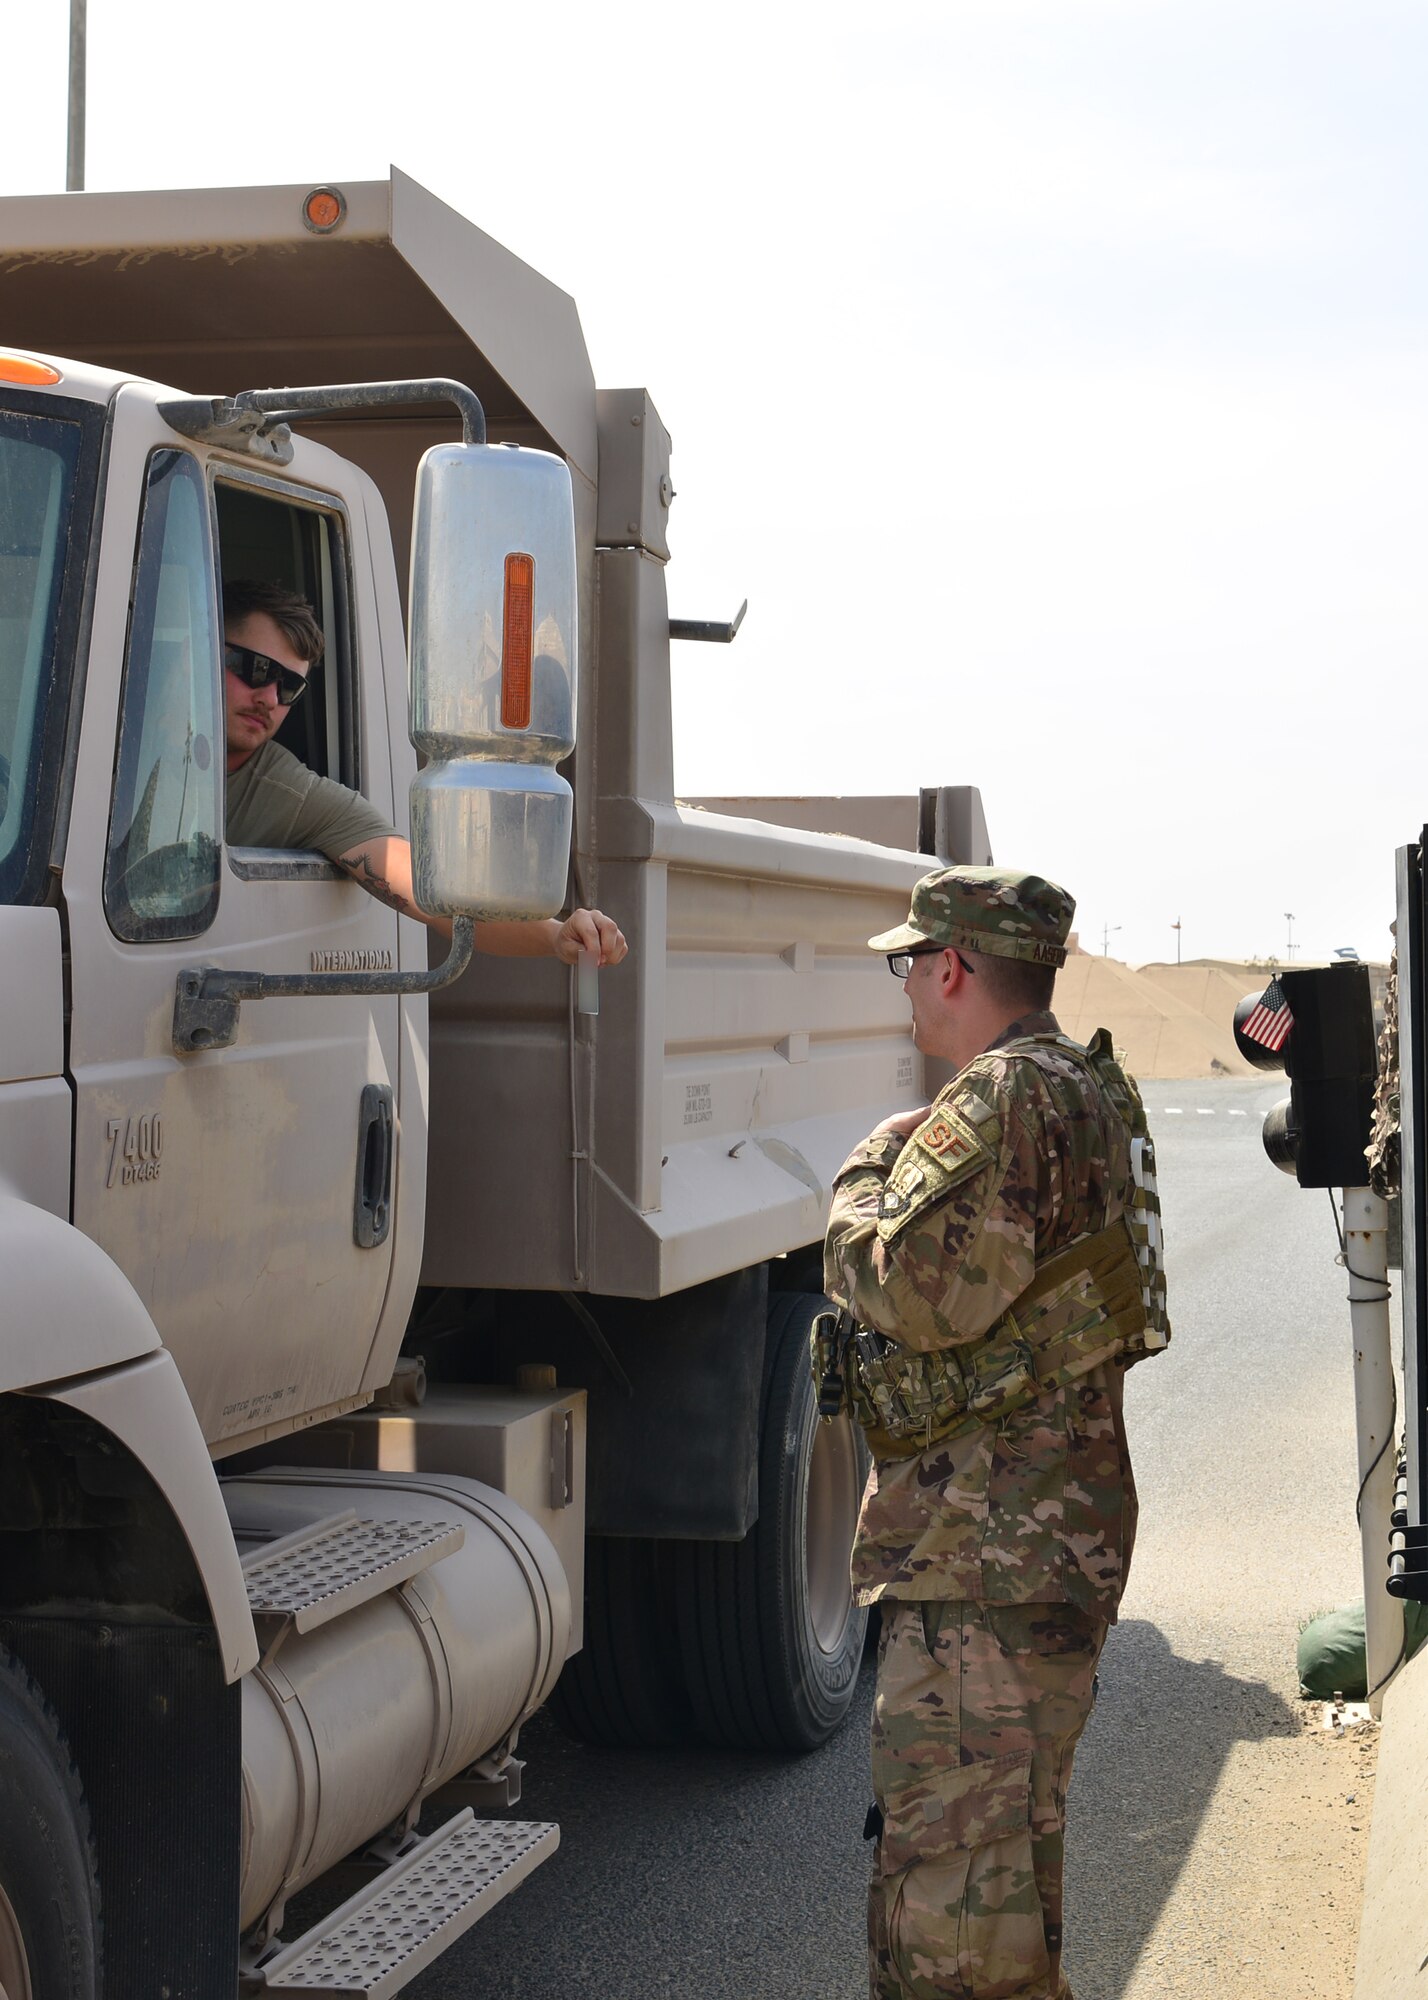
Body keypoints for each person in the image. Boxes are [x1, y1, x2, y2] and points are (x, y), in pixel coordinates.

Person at [820, 864, 1168, 2000]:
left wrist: (867, 1166)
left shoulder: (999, 1098)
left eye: (910, 963)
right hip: (1034, 1538)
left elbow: (916, 1293)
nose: (907, 986)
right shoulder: (1088, 1088)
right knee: (996, 1890)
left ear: (953, 966)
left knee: (961, 1936)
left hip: (989, 1550)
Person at [222, 577, 626, 968]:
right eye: (257, 670)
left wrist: (557, 936)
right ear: (199, 646)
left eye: (289, 686)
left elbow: (432, 893)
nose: (270, 699)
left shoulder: (287, 793)